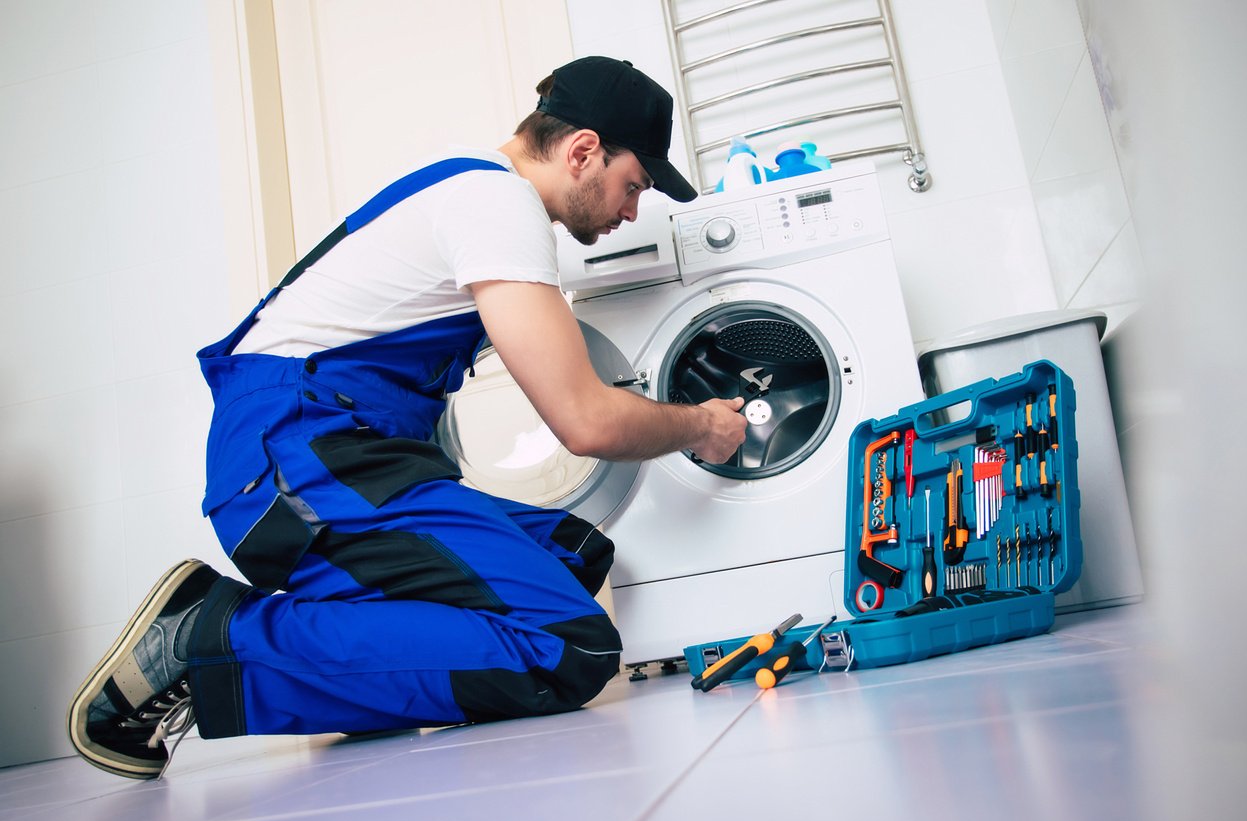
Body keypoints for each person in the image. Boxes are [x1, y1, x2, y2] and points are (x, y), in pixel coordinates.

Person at [67, 56, 748, 780]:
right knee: (570, 648)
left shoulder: (471, 193)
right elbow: (586, 423)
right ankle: (211, 638)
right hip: (295, 459)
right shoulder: (497, 206)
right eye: (633, 185)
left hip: (325, 456)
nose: (631, 211)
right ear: (583, 151)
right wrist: (700, 425)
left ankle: (347, 682)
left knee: (571, 557)